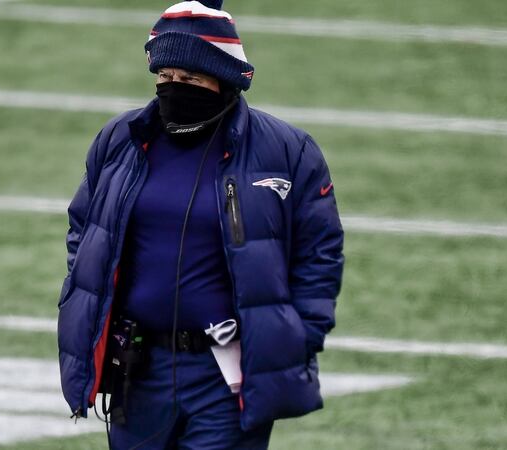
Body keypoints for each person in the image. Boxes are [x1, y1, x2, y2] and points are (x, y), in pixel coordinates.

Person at [56, 0, 344, 448]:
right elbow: (85, 229)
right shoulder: (121, 139)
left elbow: (319, 254)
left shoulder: (288, 151)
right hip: (139, 369)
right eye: (165, 77)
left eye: (190, 79)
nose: (174, 88)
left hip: (227, 374)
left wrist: (295, 338)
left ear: (223, 81)